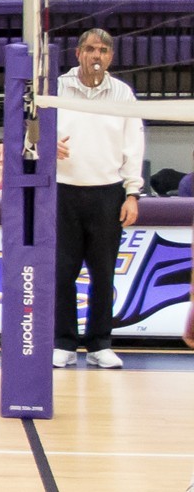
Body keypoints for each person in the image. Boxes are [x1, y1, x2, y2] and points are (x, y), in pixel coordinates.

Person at [53, 28, 144, 370]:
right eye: (90, 49)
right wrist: (45, 143)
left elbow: (134, 146)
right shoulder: (56, 87)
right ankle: (63, 341)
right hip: (63, 190)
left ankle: (99, 343)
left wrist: (132, 193)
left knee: (103, 273)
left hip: (108, 192)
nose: (96, 55)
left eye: (103, 50)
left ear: (110, 57)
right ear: (78, 53)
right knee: (63, 272)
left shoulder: (123, 94)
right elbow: (29, 132)